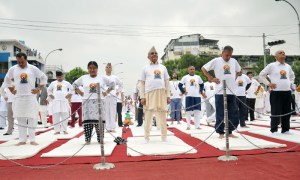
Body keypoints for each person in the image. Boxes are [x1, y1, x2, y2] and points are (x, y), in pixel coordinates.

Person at [1, 52, 47, 145]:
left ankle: (32, 139)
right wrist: (11, 89)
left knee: (32, 118)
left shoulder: (33, 68)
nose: (20, 64)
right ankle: (22, 140)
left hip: (30, 97)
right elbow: (6, 80)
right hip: (18, 97)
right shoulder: (13, 69)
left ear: (26, 59)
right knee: (20, 118)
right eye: (18, 62)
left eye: (22, 62)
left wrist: (38, 89)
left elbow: (43, 77)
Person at [202, 46, 241, 139]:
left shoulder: (234, 61)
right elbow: (203, 68)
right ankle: (221, 132)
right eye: (226, 55)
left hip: (231, 91)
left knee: (233, 112)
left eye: (230, 55)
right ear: (222, 53)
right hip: (220, 91)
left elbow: (239, 70)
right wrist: (210, 78)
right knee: (220, 112)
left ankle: (230, 131)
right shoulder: (216, 60)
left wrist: (234, 77)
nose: (228, 57)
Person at [73, 61, 114, 144]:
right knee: (88, 122)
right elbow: (74, 85)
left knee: (99, 121)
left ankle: (100, 139)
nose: (92, 70)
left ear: (97, 69)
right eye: (90, 68)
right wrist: (81, 93)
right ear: (88, 69)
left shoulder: (102, 77)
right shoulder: (83, 77)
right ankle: (87, 139)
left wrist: (106, 92)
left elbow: (112, 84)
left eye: (94, 68)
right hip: (87, 103)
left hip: (99, 102)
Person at [139, 46, 170, 143]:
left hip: (161, 93)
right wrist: (142, 97)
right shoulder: (145, 68)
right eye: (152, 54)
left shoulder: (163, 67)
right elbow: (142, 83)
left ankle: (164, 136)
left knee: (162, 116)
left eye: (156, 53)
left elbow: (167, 82)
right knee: (148, 116)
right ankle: (146, 137)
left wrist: (168, 95)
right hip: (149, 94)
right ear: (148, 57)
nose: (154, 55)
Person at [259, 50, 295, 134]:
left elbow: (292, 76)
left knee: (287, 111)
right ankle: (274, 129)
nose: (283, 54)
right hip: (276, 92)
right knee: (276, 111)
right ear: (275, 56)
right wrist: (268, 84)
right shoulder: (271, 66)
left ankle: (285, 129)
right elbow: (261, 75)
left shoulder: (288, 66)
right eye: (280, 53)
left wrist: (291, 83)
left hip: (287, 92)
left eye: (284, 53)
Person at [104, 63, 123, 132]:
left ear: (111, 69)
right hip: (105, 97)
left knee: (113, 112)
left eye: (109, 67)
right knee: (106, 112)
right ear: (105, 69)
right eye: (107, 67)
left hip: (113, 96)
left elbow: (121, 84)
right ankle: (107, 127)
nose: (108, 68)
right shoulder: (103, 77)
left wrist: (119, 91)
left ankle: (112, 127)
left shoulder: (114, 77)